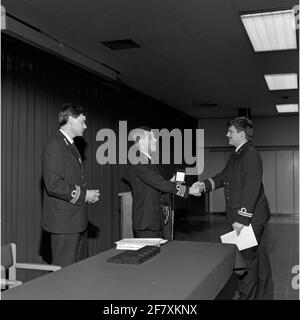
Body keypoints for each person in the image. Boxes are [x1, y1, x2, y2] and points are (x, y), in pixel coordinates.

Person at [197, 117, 273, 300]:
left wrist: (242, 219)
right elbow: (224, 177)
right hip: (248, 218)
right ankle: (264, 296)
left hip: (249, 219)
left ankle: (249, 297)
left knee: (247, 263)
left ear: (241, 133)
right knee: (259, 262)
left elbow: (251, 188)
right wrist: (204, 185)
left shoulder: (251, 154)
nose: (227, 134)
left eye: (230, 131)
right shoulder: (237, 154)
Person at [41, 103, 100, 267]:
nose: (86, 126)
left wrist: (86, 195)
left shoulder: (70, 146)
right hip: (64, 225)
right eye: (82, 121)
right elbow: (54, 185)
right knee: (64, 277)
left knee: (78, 274)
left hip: (76, 223)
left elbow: (69, 182)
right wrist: (84, 195)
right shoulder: (55, 146)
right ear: (70, 119)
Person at [128, 126, 200, 238]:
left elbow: (155, 186)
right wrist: (189, 190)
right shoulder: (138, 161)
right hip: (146, 223)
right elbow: (160, 184)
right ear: (141, 141)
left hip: (152, 221)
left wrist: (170, 182)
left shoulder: (147, 161)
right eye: (151, 138)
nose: (156, 140)